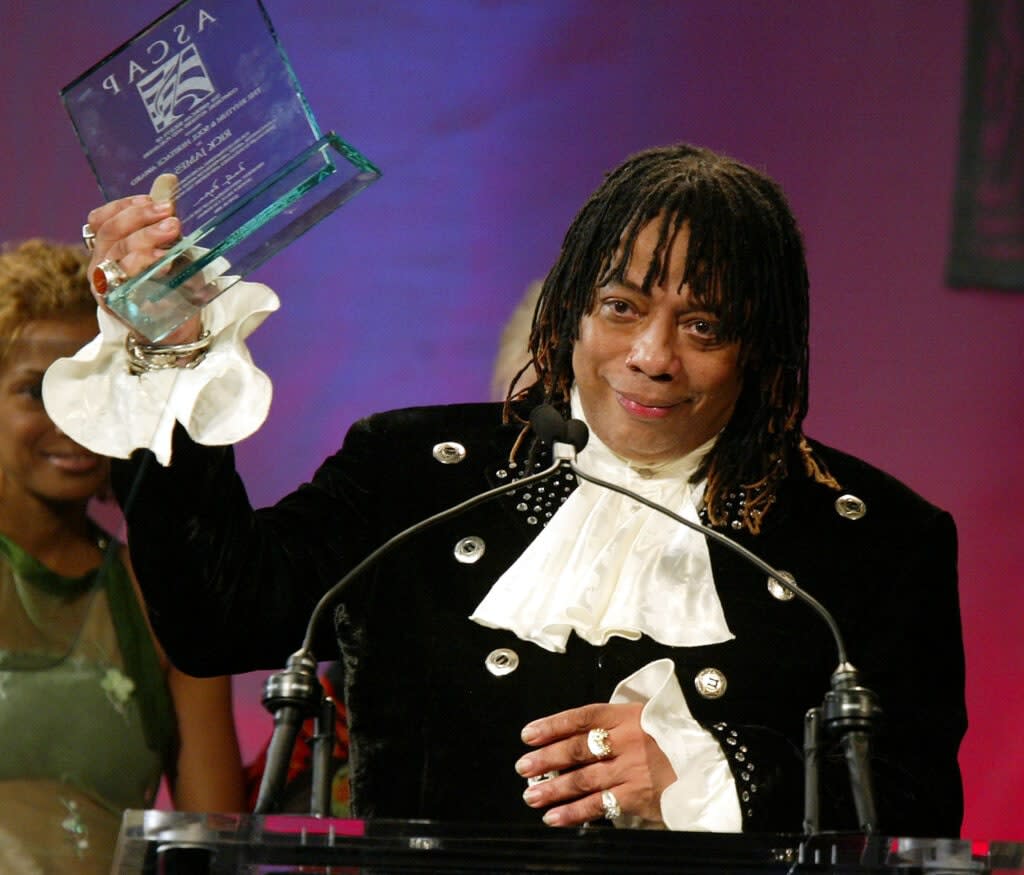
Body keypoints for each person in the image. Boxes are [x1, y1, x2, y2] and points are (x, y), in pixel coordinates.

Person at [48, 144, 966, 837]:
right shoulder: (417, 472)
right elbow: (215, 613)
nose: (651, 355)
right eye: (622, 307)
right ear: (569, 310)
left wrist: (712, 776)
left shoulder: (873, 541)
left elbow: (917, 804)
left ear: (759, 353)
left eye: (704, 324)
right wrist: (163, 344)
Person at [0, 239, 246, 874]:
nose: (70, 417)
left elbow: (212, 848)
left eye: (95, 383)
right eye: (35, 390)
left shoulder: (167, 595)